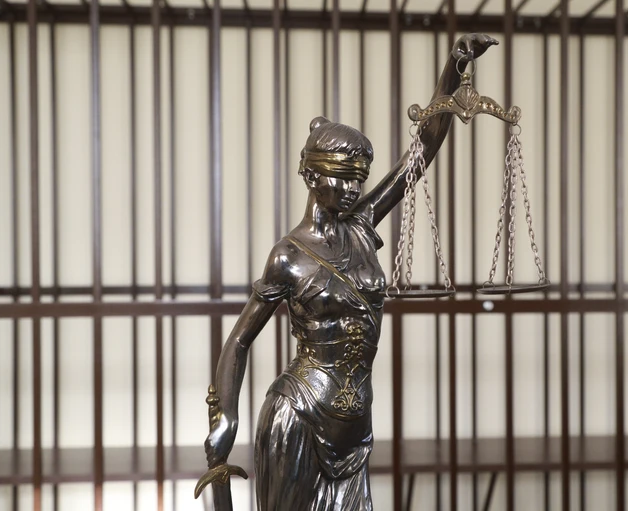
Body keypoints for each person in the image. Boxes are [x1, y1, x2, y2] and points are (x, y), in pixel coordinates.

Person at [204, 33, 499, 510]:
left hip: (356, 421)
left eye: (358, 179)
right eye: (341, 177)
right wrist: (225, 418)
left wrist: (454, 68)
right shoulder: (289, 256)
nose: (351, 189)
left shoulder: (361, 227)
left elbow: (423, 148)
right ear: (311, 175)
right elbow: (239, 340)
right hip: (299, 413)